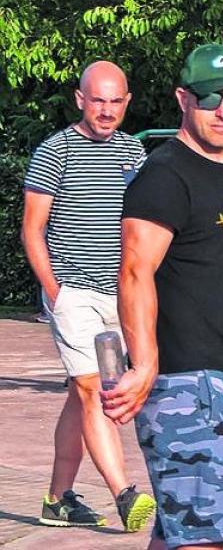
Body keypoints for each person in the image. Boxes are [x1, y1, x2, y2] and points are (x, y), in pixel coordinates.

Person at [104, 43, 223, 550]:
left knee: (189, 534)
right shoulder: (166, 174)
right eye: (210, 97)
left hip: (217, 382)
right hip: (187, 387)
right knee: (203, 539)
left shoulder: (216, 171)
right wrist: (145, 364)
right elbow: (134, 271)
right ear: (183, 99)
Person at [21, 60, 157, 531]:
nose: (106, 109)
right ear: (80, 99)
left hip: (118, 295)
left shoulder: (133, 151)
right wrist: (54, 291)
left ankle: (57, 500)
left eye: (115, 101)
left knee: (80, 399)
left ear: (127, 102)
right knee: (92, 388)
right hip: (73, 294)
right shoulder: (53, 152)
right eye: (97, 100)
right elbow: (32, 230)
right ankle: (125, 493)